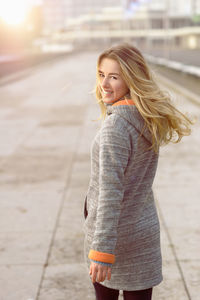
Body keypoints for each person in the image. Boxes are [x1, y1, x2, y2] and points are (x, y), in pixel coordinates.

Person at [83, 43, 192, 300]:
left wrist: (101, 251)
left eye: (114, 76)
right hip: (142, 234)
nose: (104, 84)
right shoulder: (146, 118)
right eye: (101, 75)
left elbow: (111, 194)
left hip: (113, 240)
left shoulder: (115, 127)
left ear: (131, 79)